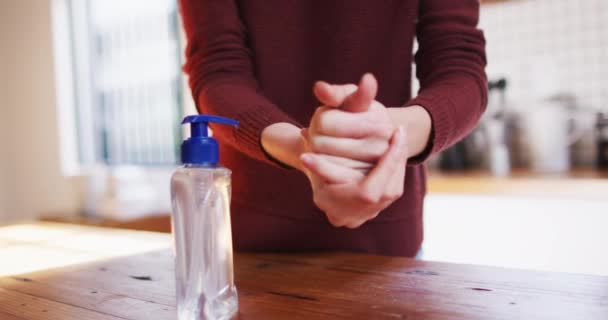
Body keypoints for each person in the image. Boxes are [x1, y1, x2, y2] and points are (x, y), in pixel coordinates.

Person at [179, 0, 487, 257]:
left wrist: (389, 136)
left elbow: (458, 64)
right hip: (253, 242)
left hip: (386, 242)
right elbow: (218, 70)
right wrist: (305, 148)